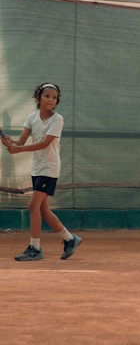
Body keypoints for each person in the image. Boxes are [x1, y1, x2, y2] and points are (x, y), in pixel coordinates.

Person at [1, 82, 82, 261]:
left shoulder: (57, 119)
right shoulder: (31, 117)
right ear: (38, 98)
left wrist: (19, 150)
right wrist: (9, 142)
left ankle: (35, 248)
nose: (50, 100)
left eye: (54, 97)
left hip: (50, 168)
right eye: (47, 96)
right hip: (37, 168)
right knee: (43, 209)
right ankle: (70, 239)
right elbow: (20, 142)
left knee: (32, 206)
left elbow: (45, 143)